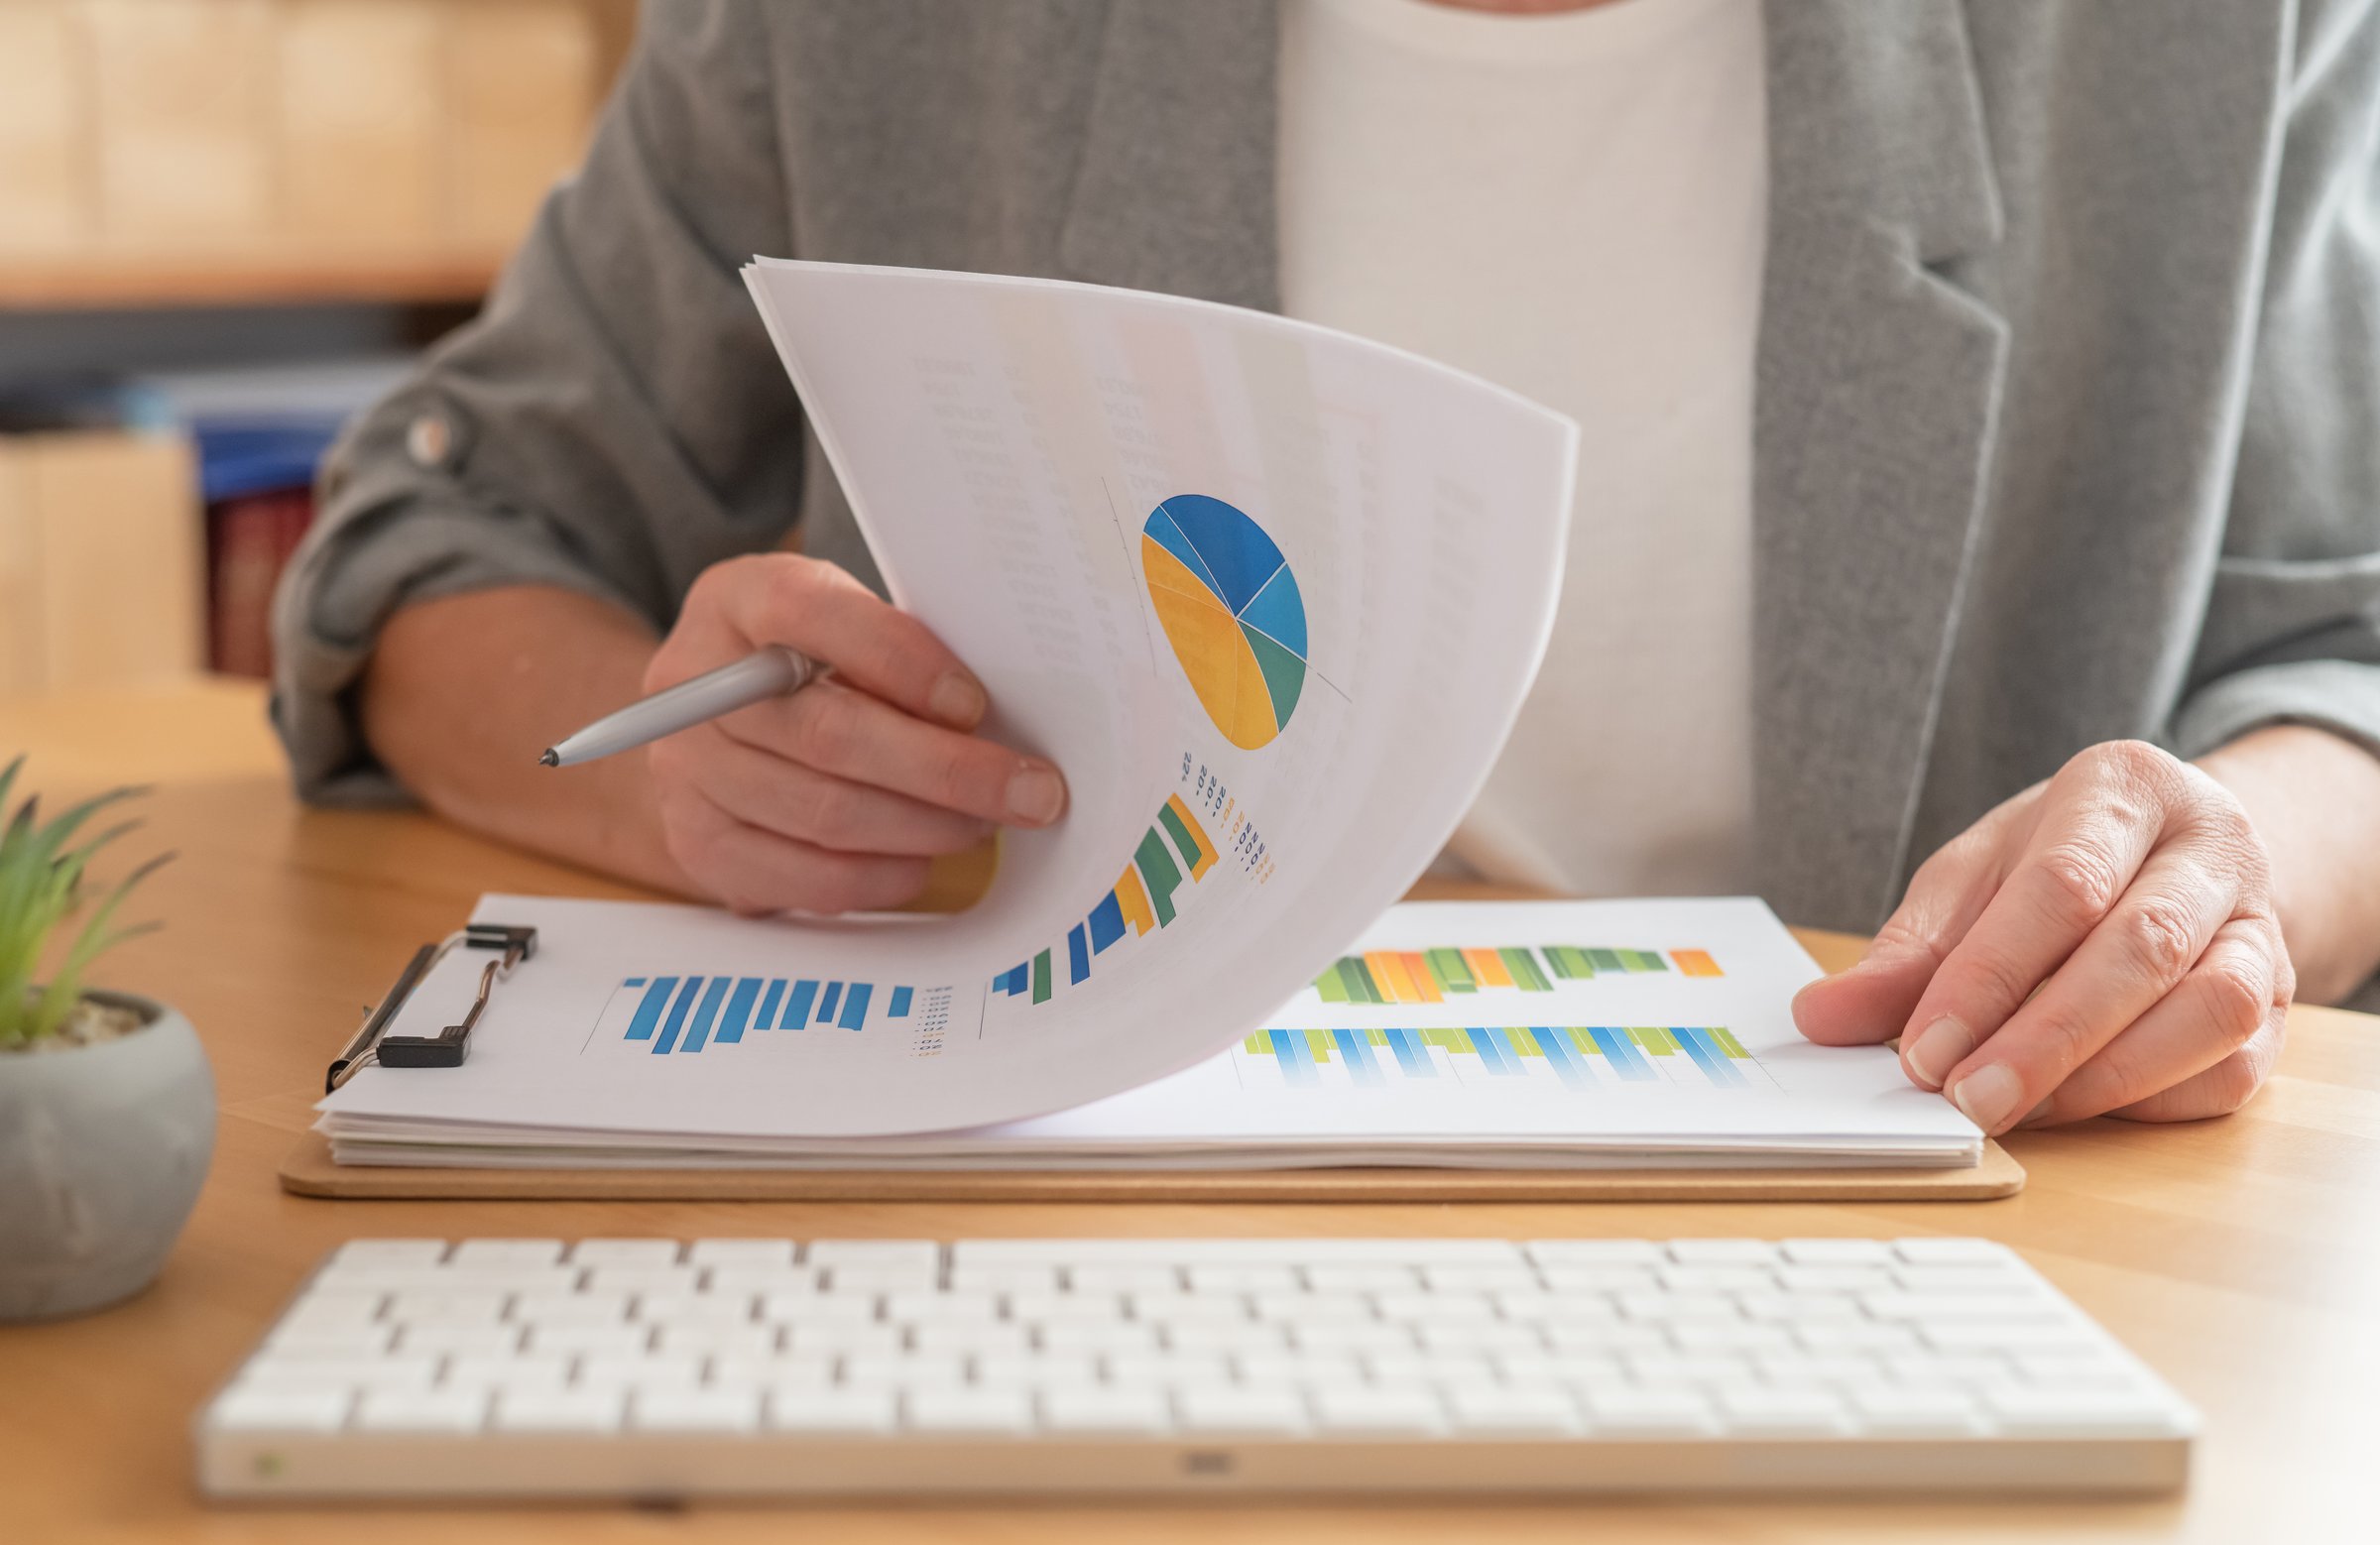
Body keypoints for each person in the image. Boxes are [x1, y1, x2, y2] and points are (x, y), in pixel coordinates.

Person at [274, 0, 2380, 1137]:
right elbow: (427, 541)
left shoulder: (2200, 36)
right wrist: (661, 781)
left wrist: (2220, 871)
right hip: (1059, 1211)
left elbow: (2344, 649)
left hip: (1924, 1223)